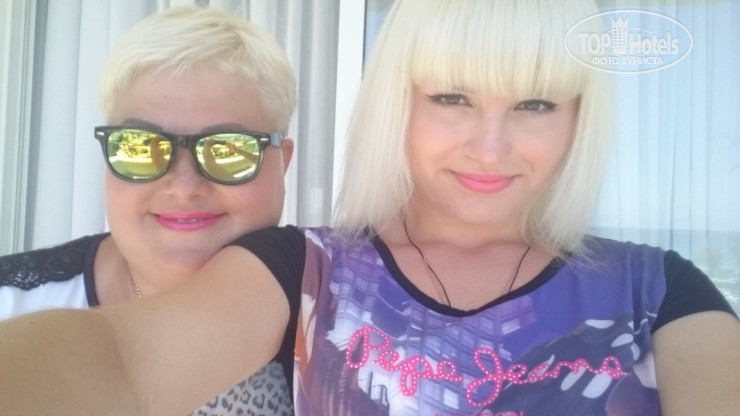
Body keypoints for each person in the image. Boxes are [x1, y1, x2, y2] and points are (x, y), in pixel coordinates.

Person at [1, 0, 739, 415]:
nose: (490, 147)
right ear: (400, 104)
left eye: (536, 104)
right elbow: (123, 363)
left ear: (579, 118)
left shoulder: (659, 291)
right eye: (452, 97)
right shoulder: (303, 269)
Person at [0, 6, 296, 416]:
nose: (184, 187)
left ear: (283, 161)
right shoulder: (10, 302)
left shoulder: (342, 324)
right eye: (140, 147)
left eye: (228, 150)